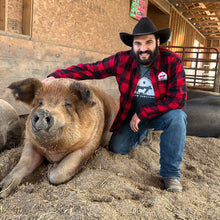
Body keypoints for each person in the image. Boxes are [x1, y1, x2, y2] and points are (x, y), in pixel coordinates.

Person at [43, 17, 187, 192]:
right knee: (117, 148)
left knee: (178, 117)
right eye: (138, 44)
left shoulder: (172, 61)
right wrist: (57, 75)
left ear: (157, 42)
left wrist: (144, 113)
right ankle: (144, 133)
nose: (143, 49)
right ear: (132, 45)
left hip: (159, 114)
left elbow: (178, 99)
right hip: (132, 115)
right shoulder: (122, 60)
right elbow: (91, 69)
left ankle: (171, 175)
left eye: (148, 42)